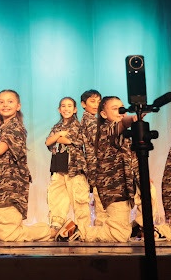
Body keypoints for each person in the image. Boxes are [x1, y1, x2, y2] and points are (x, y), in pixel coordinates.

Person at [0, 89, 68, 242]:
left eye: (10, 101)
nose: (5, 105)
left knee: (9, 235)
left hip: (11, 188)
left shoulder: (15, 127)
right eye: (1, 102)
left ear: (18, 106)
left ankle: (51, 231)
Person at [64, 96, 158, 243]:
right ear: (103, 114)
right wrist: (134, 118)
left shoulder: (124, 135)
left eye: (122, 108)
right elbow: (123, 123)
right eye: (115, 109)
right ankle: (78, 231)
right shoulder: (105, 130)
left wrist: (143, 178)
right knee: (119, 235)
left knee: (149, 191)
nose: (121, 111)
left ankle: (138, 227)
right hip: (114, 188)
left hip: (127, 186)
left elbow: (133, 159)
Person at [45, 96, 91, 235]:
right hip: (58, 167)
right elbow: (48, 142)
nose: (66, 108)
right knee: (57, 198)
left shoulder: (78, 125)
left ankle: (83, 230)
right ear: (59, 109)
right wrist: (59, 134)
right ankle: (56, 228)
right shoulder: (57, 127)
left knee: (79, 200)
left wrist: (56, 138)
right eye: (63, 106)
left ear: (75, 109)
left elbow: (70, 140)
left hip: (74, 168)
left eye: (69, 106)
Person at [79, 89, 107, 227]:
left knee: (100, 198)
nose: (96, 104)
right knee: (101, 199)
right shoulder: (90, 120)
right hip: (97, 164)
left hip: (96, 163)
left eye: (99, 101)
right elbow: (100, 141)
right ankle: (101, 228)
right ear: (83, 104)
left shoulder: (93, 120)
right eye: (92, 101)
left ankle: (101, 227)